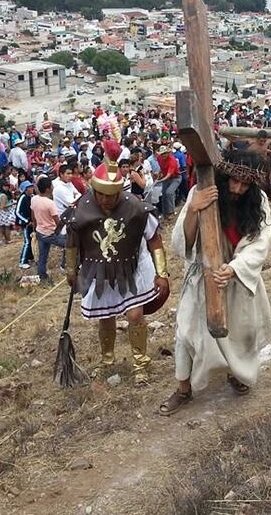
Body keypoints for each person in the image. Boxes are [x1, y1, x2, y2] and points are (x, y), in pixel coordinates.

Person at [160, 150, 271, 415]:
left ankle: (237, 373)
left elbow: (261, 241)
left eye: (245, 184)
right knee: (186, 332)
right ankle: (183, 389)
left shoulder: (259, 201)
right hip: (202, 277)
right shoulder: (201, 191)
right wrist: (193, 209)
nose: (237, 188)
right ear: (225, 175)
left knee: (242, 330)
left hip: (237, 277)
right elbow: (182, 243)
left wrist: (234, 269)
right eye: (234, 180)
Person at [63, 163, 169, 386]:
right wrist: (71, 270)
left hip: (133, 267)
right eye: (100, 194)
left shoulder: (135, 207)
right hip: (99, 271)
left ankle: (141, 362)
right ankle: (107, 359)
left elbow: (154, 239)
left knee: (135, 316)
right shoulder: (83, 206)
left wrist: (162, 272)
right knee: (105, 316)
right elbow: (72, 241)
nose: (105, 200)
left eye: (110, 195)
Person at [30, 177, 64, 282]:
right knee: (70, 245)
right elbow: (57, 221)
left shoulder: (34, 199)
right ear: (48, 189)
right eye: (52, 186)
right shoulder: (50, 203)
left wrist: (35, 229)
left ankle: (42, 276)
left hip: (40, 231)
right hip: (51, 233)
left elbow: (33, 215)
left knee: (42, 257)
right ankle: (66, 266)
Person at [15, 181, 35, 270]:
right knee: (27, 241)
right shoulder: (22, 197)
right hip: (25, 223)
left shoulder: (31, 197)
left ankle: (30, 257)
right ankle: (22, 261)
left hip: (31, 222)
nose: (32, 189)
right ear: (26, 189)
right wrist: (26, 221)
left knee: (31, 240)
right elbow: (17, 212)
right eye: (30, 187)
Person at [156, 145, 181, 217]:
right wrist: (159, 174)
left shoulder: (172, 160)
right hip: (165, 177)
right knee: (164, 194)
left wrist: (159, 181)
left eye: (164, 153)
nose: (163, 155)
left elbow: (168, 175)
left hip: (175, 178)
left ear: (168, 153)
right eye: (162, 154)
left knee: (169, 192)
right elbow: (162, 168)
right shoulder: (159, 158)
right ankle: (165, 213)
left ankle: (171, 212)